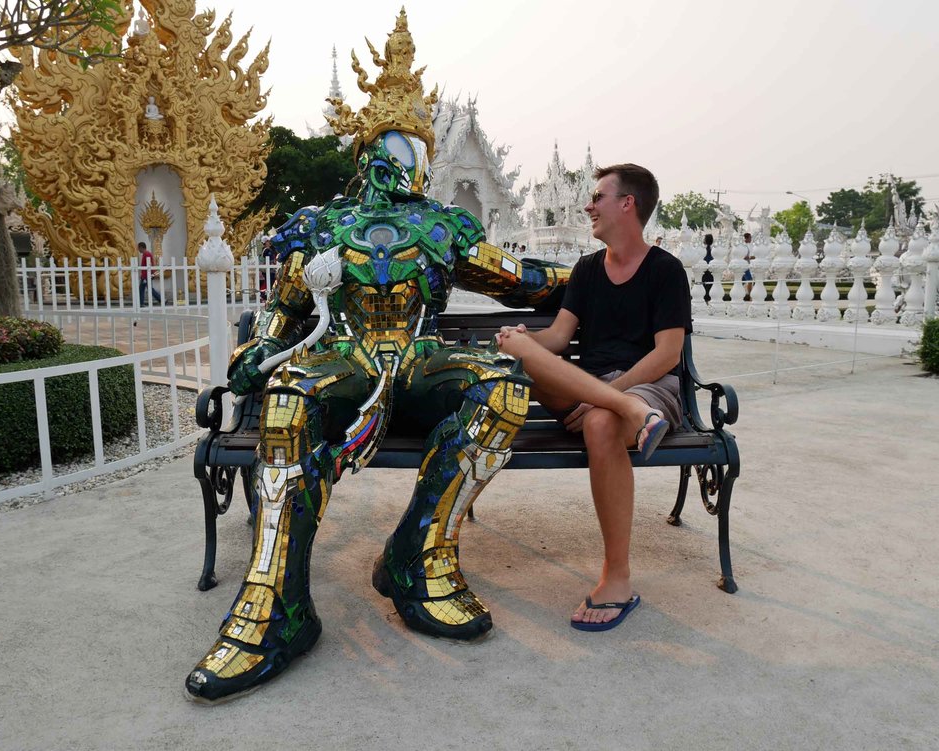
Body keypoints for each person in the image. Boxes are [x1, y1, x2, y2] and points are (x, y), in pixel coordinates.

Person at [184, 9, 570, 704]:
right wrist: (260, 345)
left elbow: (522, 278)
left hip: (421, 358)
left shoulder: (442, 226)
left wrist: (603, 274)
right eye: (391, 147)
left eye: (412, 148)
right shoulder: (327, 225)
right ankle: (276, 606)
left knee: (504, 388)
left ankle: (419, 554)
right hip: (347, 358)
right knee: (288, 399)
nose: (403, 160)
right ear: (365, 155)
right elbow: (289, 305)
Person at [497, 163, 691, 632]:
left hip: (647, 388)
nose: (588, 206)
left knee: (602, 422)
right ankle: (626, 412)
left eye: (598, 196)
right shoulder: (585, 270)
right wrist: (523, 339)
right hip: (601, 392)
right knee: (519, 347)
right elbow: (560, 339)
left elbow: (668, 354)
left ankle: (617, 579)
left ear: (628, 204)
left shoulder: (665, 270)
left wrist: (610, 396)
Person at [138, 241, 162, 306]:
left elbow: (149, 265)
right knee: (146, 289)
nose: (138, 250)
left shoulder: (147, 254)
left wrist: (144, 276)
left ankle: (141, 303)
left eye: (139, 248)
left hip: (146, 276)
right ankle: (161, 300)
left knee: (144, 289)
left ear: (141, 247)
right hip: (146, 275)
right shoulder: (146, 254)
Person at [702, 233, 715, 303]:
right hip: (709, 268)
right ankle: (707, 298)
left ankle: (706, 299)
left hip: (707, 268)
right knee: (708, 284)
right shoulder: (713, 249)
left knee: (706, 284)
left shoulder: (704, 249)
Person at [742, 231, 754, 300]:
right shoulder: (744, 246)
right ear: (746, 238)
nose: (751, 239)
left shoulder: (745, 246)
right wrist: (751, 257)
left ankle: (740, 295)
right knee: (750, 280)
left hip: (745, 265)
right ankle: (750, 296)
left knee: (741, 282)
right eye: (750, 238)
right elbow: (743, 257)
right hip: (744, 266)